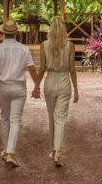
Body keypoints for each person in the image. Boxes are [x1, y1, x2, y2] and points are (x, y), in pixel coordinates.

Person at [0, 18, 39, 168]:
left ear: (3, 34)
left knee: (5, 119)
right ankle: (10, 153)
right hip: (19, 88)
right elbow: (31, 69)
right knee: (15, 120)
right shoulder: (24, 49)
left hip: (4, 87)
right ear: (16, 33)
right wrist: (37, 86)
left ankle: (6, 151)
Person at [32, 16, 79, 167]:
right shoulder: (70, 45)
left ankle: (54, 150)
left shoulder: (44, 45)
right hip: (64, 81)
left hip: (50, 81)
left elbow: (42, 68)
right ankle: (57, 151)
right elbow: (72, 69)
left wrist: (36, 86)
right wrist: (76, 89)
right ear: (64, 28)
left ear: (50, 29)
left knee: (52, 117)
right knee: (60, 118)